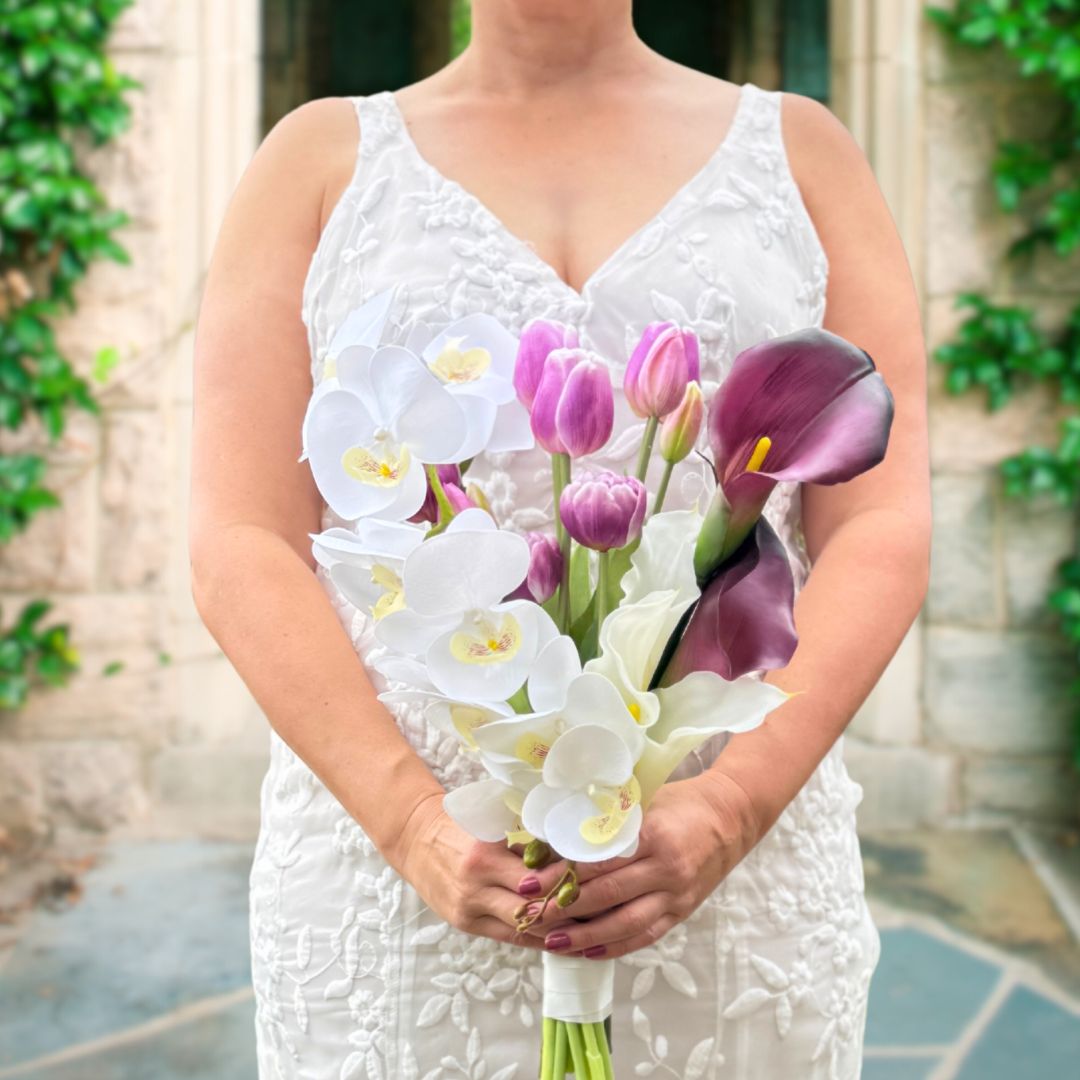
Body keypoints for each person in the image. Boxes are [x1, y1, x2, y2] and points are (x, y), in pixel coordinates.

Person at [190, 1, 930, 1076]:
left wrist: (729, 806)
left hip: (726, 882)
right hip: (401, 889)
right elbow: (241, 536)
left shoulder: (803, 157)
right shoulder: (316, 164)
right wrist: (410, 824)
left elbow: (882, 526)